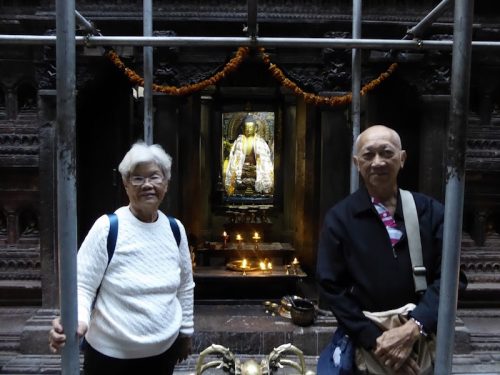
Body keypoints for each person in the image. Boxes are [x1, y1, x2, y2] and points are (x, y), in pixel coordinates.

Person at [316, 125, 466, 374]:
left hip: (420, 340)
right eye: (368, 155)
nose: (378, 162)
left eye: (386, 153)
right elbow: (330, 286)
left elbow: (453, 278)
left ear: (402, 158)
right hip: (365, 340)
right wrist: (376, 342)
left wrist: (413, 329)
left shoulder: (431, 212)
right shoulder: (341, 218)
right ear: (356, 163)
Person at [48, 141, 195, 375]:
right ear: (126, 185)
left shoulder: (175, 229)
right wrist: (76, 321)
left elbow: (185, 286)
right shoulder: (107, 228)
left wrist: (186, 332)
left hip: (162, 355)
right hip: (110, 358)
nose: (147, 185)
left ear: (166, 184)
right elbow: (82, 285)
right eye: (137, 178)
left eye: (154, 177)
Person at [224, 115, 274, 195]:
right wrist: (242, 168)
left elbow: (264, 162)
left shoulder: (260, 142)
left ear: (256, 128)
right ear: (243, 128)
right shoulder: (239, 142)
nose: (249, 129)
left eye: (251, 127)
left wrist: (255, 167)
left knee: (259, 174)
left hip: (255, 170)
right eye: (247, 127)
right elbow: (234, 161)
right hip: (243, 170)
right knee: (237, 175)